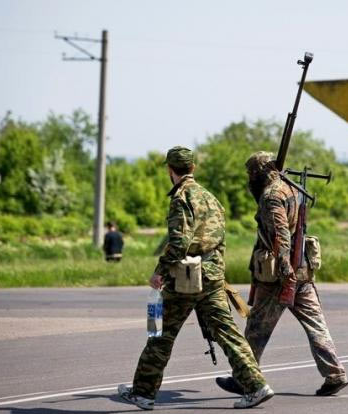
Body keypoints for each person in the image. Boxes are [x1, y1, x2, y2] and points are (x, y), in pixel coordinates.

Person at [117, 146, 273, 410]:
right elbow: (221, 241)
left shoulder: (182, 198)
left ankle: (143, 393)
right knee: (228, 333)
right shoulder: (211, 198)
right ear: (193, 168)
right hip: (212, 277)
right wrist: (216, 272)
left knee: (161, 334)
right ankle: (257, 385)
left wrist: (159, 272)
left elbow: (178, 243)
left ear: (170, 170)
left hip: (186, 279)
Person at [216, 151, 348, 397]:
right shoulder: (291, 188)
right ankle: (335, 374)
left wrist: (284, 266)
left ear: (258, 173)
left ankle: (244, 378)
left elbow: (281, 233)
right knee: (316, 325)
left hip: (280, 274)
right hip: (302, 271)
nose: (249, 179)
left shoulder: (271, 195)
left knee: (256, 329)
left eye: (251, 174)